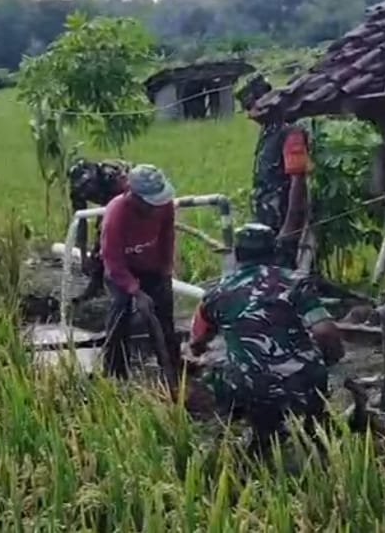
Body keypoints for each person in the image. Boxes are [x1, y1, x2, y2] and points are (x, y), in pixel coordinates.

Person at [186, 222, 344, 453]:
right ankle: (315, 427)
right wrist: (330, 360)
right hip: (303, 383)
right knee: (311, 371)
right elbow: (325, 331)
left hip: (252, 388)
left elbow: (197, 343)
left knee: (213, 370)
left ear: (237, 254)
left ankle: (250, 427)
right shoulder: (295, 282)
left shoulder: (216, 294)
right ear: (274, 252)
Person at [100, 164, 179, 379]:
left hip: (151, 265)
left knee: (164, 315)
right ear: (134, 196)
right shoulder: (116, 213)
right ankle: (115, 373)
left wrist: (166, 272)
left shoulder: (165, 206)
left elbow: (167, 238)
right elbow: (112, 260)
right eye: (150, 204)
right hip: (122, 268)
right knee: (120, 310)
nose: (155, 209)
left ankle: (172, 369)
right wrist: (135, 292)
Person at [239, 74, 311, 268]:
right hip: (266, 218)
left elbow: (298, 181)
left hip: (282, 220)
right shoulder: (268, 131)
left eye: (251, 108)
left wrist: (289, 228)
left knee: (282, 271)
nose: (249, 115)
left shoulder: (290, 133)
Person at [67, 158, 132, 302]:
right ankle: (97, 286)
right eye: (82, 187)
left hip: (128, 196)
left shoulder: (110, 177)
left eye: (89, 185)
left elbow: (124, 200)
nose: (86, 190)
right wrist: (83, 256)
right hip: (107, 202)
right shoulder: (77, 191)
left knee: (109, 241)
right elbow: (81, 222)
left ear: (95, 177)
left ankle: (126, 288)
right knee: (99, 247)